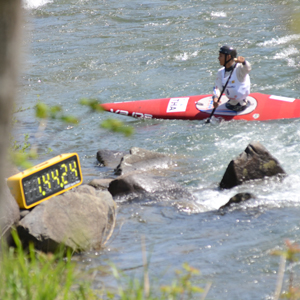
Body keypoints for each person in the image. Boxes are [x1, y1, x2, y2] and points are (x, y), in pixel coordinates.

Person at [212, 45, 251, 112]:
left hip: (243, 104)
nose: (218, 58)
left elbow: (248, 68)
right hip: (230, 103)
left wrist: (243, 62)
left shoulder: (240, 69)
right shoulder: (220, 72)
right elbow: (217, 88)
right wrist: (215, 98)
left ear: (228, 57)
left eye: (221, 56)